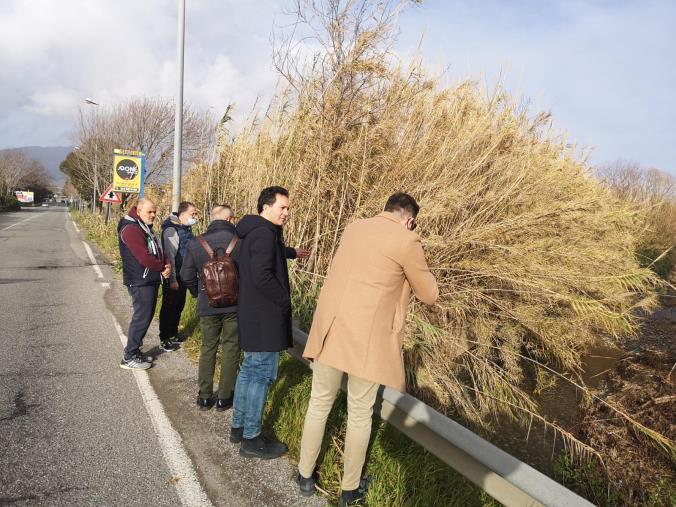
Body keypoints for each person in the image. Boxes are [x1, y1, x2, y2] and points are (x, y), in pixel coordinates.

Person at [297, 193, 438, 505]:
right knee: (360, 413)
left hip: (331, 331)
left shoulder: (354, 228)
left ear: (384, 210)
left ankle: (305, 476)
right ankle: (349, 490)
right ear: (410, 219)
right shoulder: (407, 240)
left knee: (319, 403)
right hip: (367, 342)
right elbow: (429, 294)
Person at [229, 186, 309, 459]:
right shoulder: (264, 234)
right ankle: (252, 438)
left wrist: (290, 252)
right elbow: (263, 274)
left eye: (288, 208)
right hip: (265, 317)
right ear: (266, 207)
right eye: (282, 207)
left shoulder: (252, 231)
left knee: (248, 371)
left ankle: (238, 427)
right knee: (260, 375)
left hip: (250, 313)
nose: (287, 212)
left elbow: (262, 256)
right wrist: (285, 300)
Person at [180, 204, 240, 411]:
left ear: (211, 219)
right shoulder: (240, 242)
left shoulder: (197, 243)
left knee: (208, 348)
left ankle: (205, 397)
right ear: (231, 219)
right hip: (235, 306)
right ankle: (224, 397)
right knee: (231, 347)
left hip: (208, 305)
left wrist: (200, 294)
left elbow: (186, 276)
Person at [117, 198, 172, 370]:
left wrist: (167, 263)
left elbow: (157, 249)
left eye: (155, 211)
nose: (153, 215)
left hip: (148, 278)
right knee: (141, 318)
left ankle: (135, 351)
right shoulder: (132, 229)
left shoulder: (143, 226)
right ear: (138, 210)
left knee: (145, 317)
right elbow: (144, 256)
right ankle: (129, 356)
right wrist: (162, 267)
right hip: (140, 280)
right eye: (150, 211)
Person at [158, 201, 197, 351]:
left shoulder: (186, 229)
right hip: (173, 275)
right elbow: (170, 257)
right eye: (192, 214)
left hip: (183, 275)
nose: (195, 216)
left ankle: (173, 333)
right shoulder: (172, 230)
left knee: (179, 305)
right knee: (169, 306)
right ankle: (164, 337)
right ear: (182, 214)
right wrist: (173, 279)